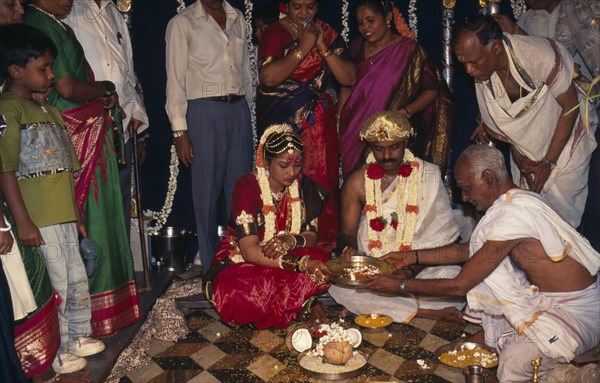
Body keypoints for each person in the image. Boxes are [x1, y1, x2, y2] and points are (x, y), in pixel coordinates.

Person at [364, 144, 600, 381]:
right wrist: (413, 256)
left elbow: (460, 285)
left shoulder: (512, 213)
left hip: (576, 312)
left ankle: (564, 371)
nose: (465, 198)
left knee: (514, 361)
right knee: (480, 340)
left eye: (466, 189)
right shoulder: (515, 200)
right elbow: (472, 250)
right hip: (545, 301)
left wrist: (400, 287)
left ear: (488, 178)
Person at [24, 0, 141, 337]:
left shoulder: (54, 23)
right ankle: (85, 321)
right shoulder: (40, 22)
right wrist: (106, 89)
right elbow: (66, 87)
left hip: (88, 129)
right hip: (76, 132)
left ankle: (105, 314)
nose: (68, 0)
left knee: (102, 219)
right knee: (90, 224)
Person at [0, 23, 104, 377]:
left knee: (76, 279)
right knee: (56, 285)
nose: (50, 75)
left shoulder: (50, 112)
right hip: (39, 219)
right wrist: (23, 221)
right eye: (43, 68)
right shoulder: (8, 111)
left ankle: (77, 337)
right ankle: (56, 351)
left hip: (63, 215)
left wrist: (76, 215)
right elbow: (5, 170)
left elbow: (66, 172)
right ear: (16, 70)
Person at [454, 14, 597, 228]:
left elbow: (570, 106)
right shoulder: (483, 78)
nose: (469, 70)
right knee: (536, 220)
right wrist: (521, 159)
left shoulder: (537, 54)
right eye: (463, 63)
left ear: (495, 48)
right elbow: (506, 131)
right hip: (527, 154)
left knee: (563, 224)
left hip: (566, 143)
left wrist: (548, 162)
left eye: (474, 61)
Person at [330, 111, 464, 323]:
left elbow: (444, 242)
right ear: (369, 147)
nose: (387, 156)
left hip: (420, 268)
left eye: (394, 147)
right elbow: (347, 232)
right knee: (339, 288)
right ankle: (426, 312)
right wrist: (349, 251)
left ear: (406, 142)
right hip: (373, 267)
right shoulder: (357, 182)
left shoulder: (427, 175)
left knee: (453, 277)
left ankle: (394, 308)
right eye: (379, 149)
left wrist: (407, 273)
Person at [203, 124, 331, 329]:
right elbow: (249, 251)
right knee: (239, 288)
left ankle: (297, 303)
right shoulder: (247, 188)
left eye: (297, 165)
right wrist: (300, 264)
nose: (291, 172)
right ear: (266, 162)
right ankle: (304, 303)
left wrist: (291, 240)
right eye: (283, 165)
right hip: (246, 259)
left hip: (292, 253)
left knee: (322, 261)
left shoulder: (305, 187)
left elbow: (311, 236)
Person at [256, 0, 357, 243]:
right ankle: (283, 242)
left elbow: (350, 77)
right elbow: (269, 78)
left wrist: (322, 46)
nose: (303, 13)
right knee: (286, 178)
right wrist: (303, 47)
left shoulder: (327, 32)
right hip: (285, 126)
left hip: (319, 125)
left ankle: (323, 244)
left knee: (323, 181)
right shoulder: (275, 32)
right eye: (297, 7)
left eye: (309, 7)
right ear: (286, 6)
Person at [166, 0, 254, 273]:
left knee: (241, 189)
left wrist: (249, 114)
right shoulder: (183, 23)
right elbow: (175, 80)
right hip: (203, 111)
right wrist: (180, 131)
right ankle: (210, 266)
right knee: (205, 191)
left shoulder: (237, 17)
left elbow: (247, 73)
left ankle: (241, 258)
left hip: (237, 109)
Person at [337, 0, 452, 178]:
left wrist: (403, 112)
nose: (365, 27)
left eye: (370, 20)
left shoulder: (410, 50)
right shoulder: (356, 47)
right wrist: (340, 121)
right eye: (360, 23)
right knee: (357, 187)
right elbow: (346, 85)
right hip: (354, 134)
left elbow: (432, 91)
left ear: (388, 18)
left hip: (389, 138)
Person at [65, 0, 150, 238]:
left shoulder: (115, 15)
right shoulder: (68, 10)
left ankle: (120, 271)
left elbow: (128, 75)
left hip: (120, 127)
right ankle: (96, 270)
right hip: (85, 130)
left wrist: (136, 113)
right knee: (93, 206)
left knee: (118, 204)